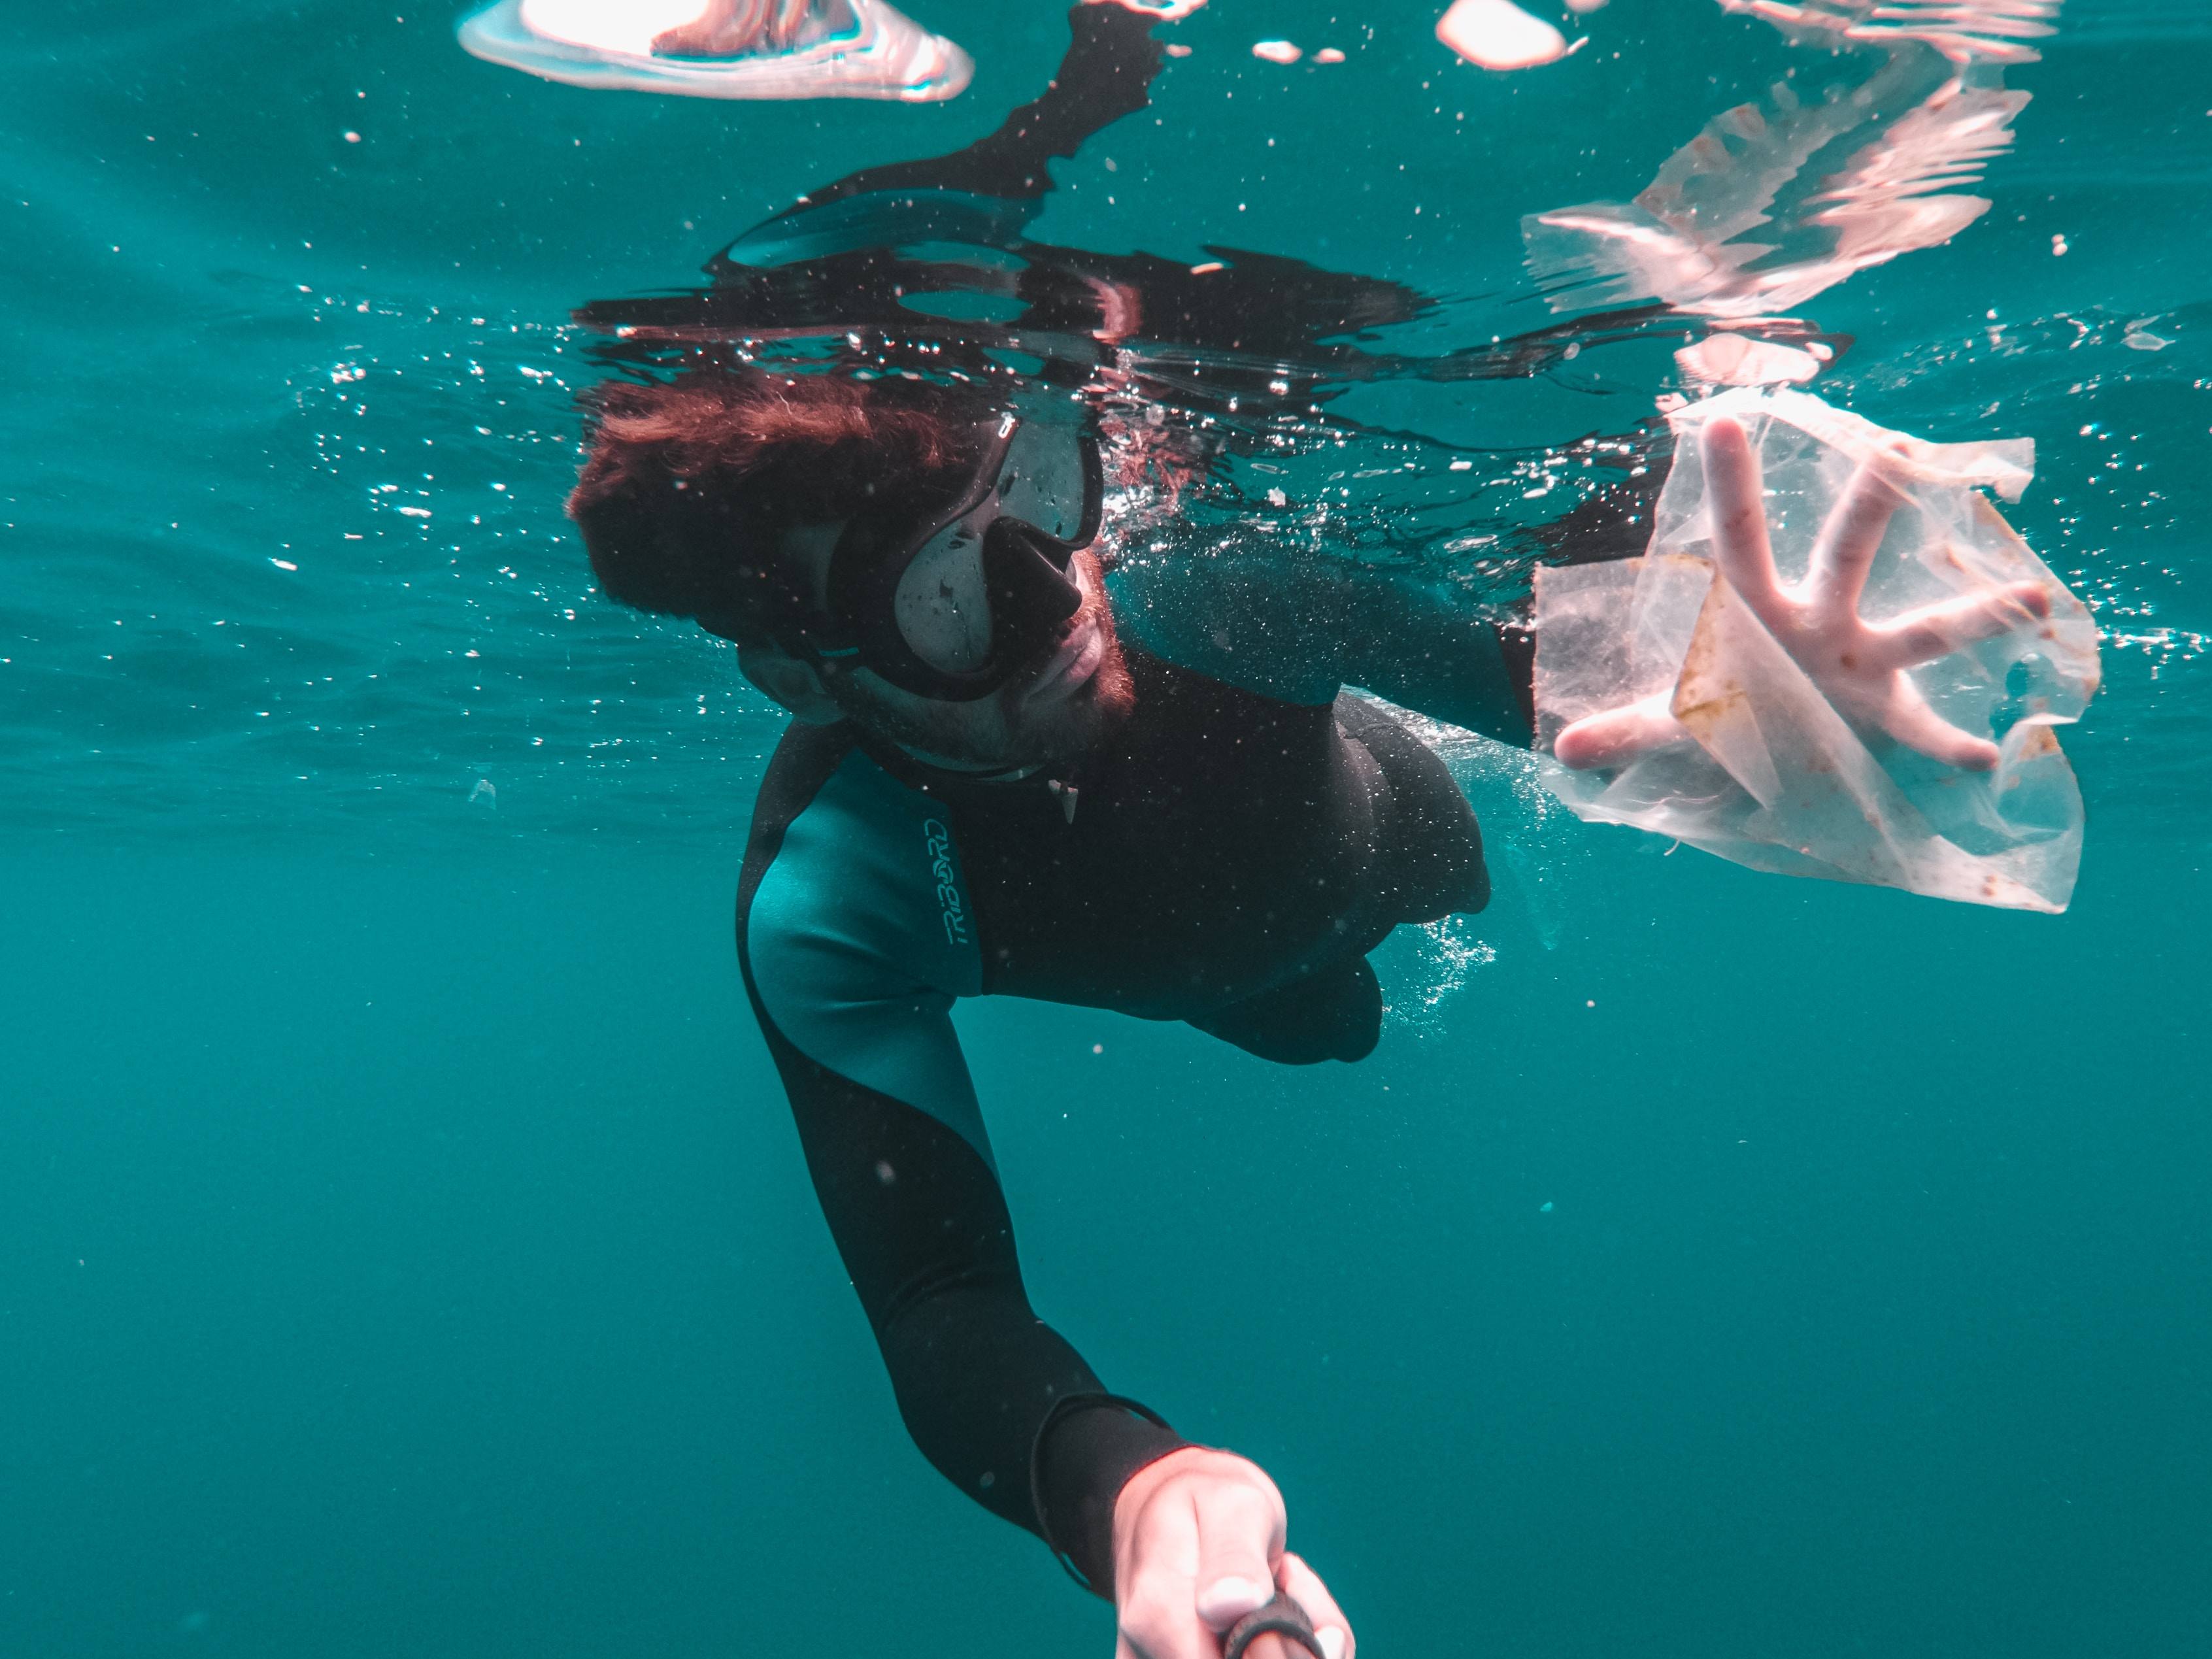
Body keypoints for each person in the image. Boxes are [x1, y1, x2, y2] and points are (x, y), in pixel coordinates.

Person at [554, 9, 2049, 1658]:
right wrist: (1133, 1490)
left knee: (1359, 962)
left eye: (1045, 496)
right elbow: (940, 1308)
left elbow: (1585, 696)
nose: (1060, 596)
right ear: (802, 671)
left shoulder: (1225, 602)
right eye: (945, 595)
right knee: (1320, 1028)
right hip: (1246, 961)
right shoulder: (830, 895)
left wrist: (1748, 691)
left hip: (1388, 839)